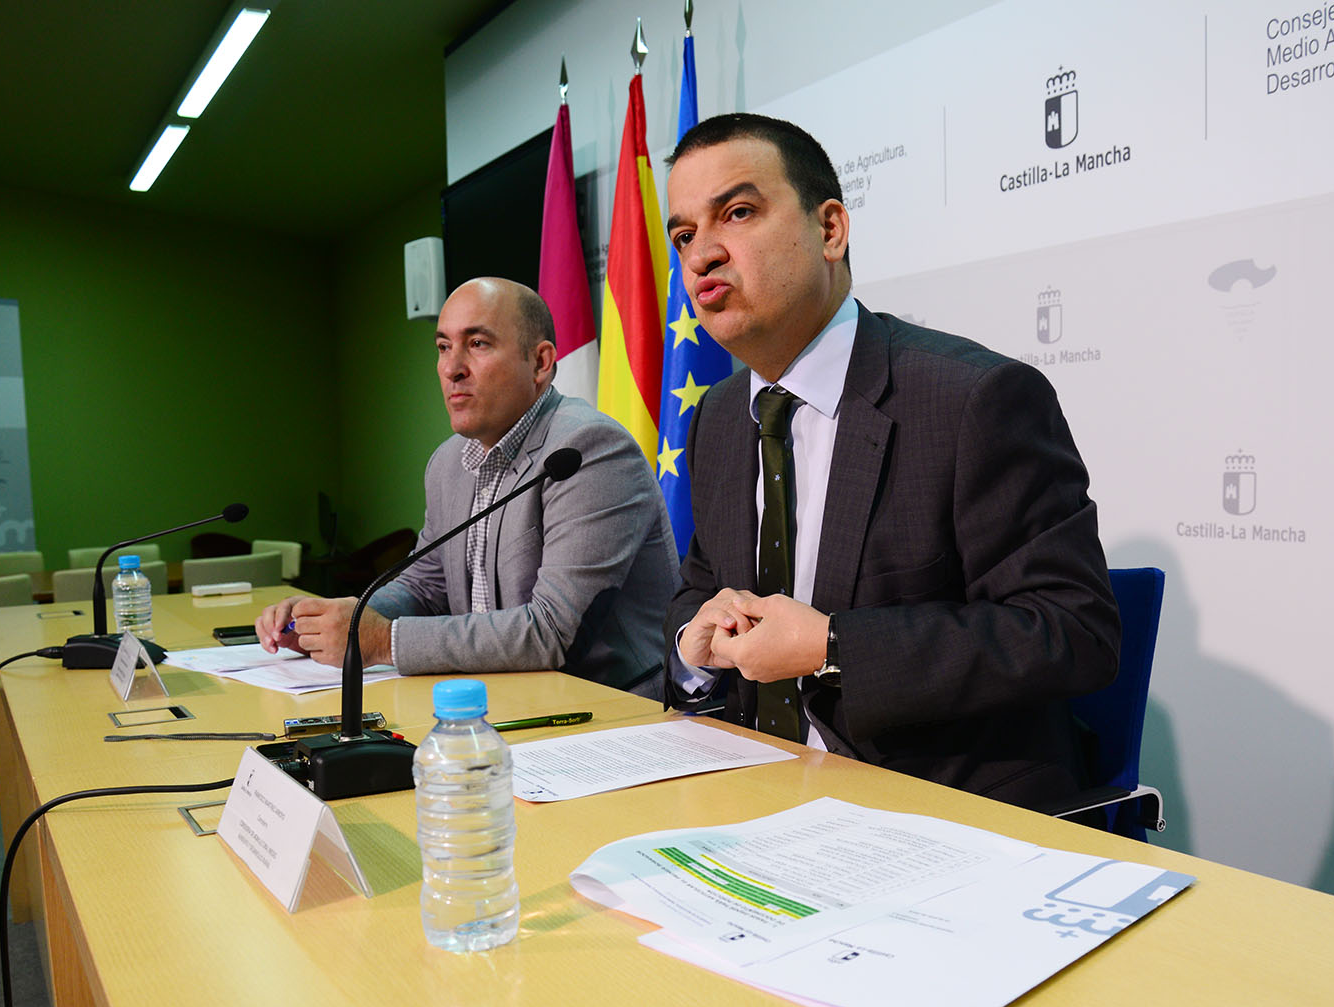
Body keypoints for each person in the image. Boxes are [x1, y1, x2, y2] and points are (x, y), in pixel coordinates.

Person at [663, 114, 1120, 806]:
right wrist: (694, 650)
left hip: (934, 808)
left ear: (830, 230)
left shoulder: (973, 399)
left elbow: (1073, 631)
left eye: (738, 212)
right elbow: (696, 591)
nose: (702, 256)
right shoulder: (719, 419)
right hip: (751, 797)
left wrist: (833, 645)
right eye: (684, 235)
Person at [256, 277, 678, 698]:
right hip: (494, 696)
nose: (451, 367)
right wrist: (338, 620)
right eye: (443, 347)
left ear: (541, 362)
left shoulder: (588, 449)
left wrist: (383, 640)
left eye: (477, 343)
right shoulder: (447, 462)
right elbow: (424, 586)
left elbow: (552, 632)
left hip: (608, 710)